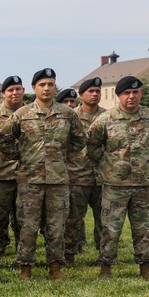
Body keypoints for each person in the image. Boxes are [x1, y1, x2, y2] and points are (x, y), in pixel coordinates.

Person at [0, 69, 86, 280]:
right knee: (27, 225)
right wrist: (22, 156)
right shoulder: (22, 114)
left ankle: (55, 268)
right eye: (42, 85)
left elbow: (80, 140)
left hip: (58, 180)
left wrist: (62, 158)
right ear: (34, 88)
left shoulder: (67, 113)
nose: (46, 88)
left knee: (57, 226)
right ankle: (25, 268)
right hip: (30, 180)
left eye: (50, 84)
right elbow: (3, 139)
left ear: (55, 87)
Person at [87, 76, 149, 280]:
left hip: (144, 184)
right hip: (115, 184)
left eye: (135, 92)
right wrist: (108, 165)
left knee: (144, 228)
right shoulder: (106, 119)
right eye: (126, 93)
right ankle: (106, 268)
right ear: (118, 96)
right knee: (110, 228)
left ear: (141, 93)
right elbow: (93, 146)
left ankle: (145, 268)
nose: (131, 96)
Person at [0, 76, 24, 267]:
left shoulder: (30, 113)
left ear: (24, 91)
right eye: (10, 90)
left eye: (18, 89)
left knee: (24, 220)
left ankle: (23, 256)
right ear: (3, 93)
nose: (14, 93)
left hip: (26, 176)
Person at [65, 77, 106, 265]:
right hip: (77, 176)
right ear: (81, 95)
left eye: (97, 91)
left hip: (103, 177)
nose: (95, 94)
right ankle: (70, 255)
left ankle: (105, 256)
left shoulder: (109, 116)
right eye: (91, 91)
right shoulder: (69, 116)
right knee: (73, 219)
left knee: (104, 221)